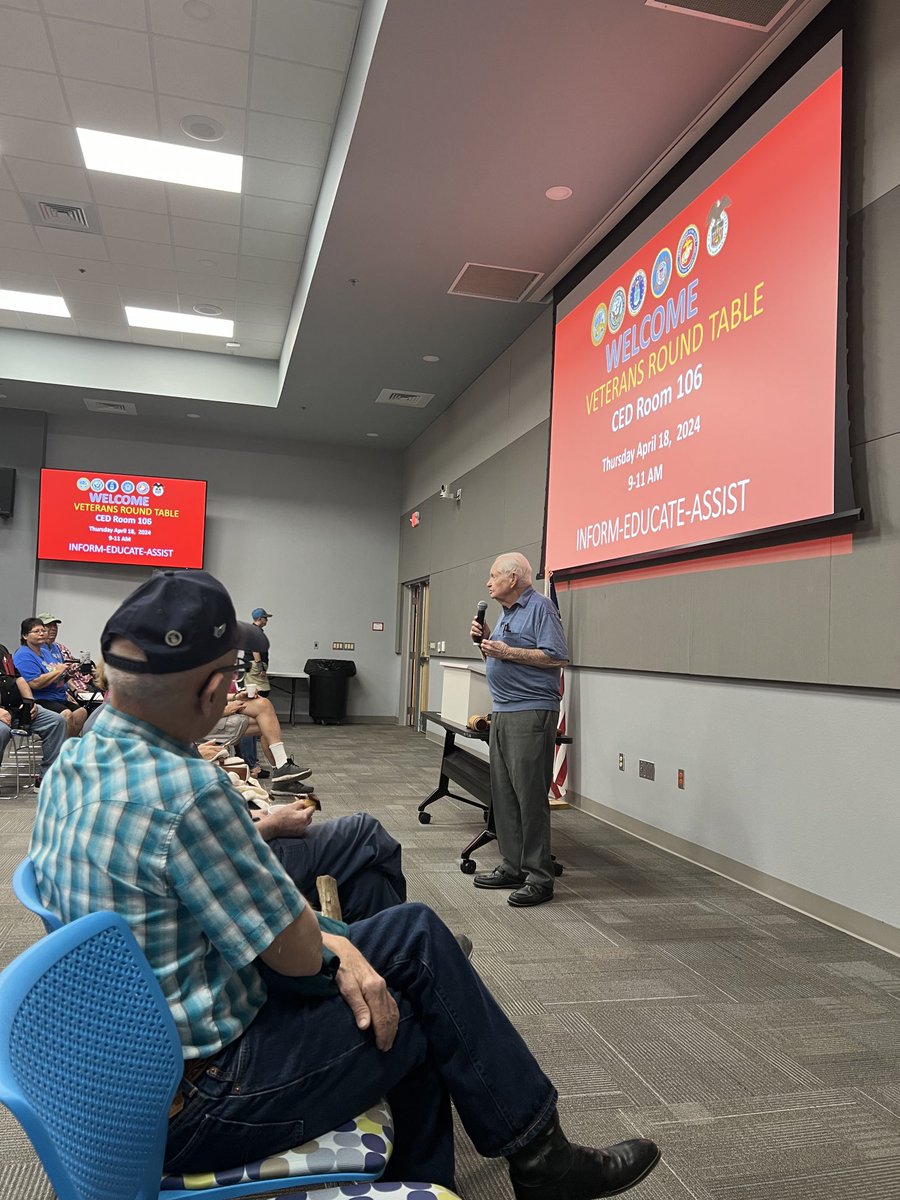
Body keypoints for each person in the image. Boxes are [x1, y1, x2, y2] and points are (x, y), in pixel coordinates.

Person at [31, 569, 660, 1199]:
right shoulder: (185, 793)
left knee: (412, 952)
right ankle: (531, 1159)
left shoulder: (75, 761)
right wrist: (347, 949)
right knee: (411, 1002)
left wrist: (344, 948)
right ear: (212, 690)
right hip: (200, 1101)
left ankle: (515, 1156)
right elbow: (299, 954)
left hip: (120, 1079)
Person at [470, 553, 569, 908]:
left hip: (531, 712)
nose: (488, 582)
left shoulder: (541, 608)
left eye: (493, 575)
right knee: (506, 795)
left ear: (513, 578)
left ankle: (540, 877)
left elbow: (557, 656)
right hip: (503, 710)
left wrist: (507, 652)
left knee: (529, 797)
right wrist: (485, 647)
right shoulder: (506, 613)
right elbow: (500, 658)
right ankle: (512, 866)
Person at [0, 642, 67, 784]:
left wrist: (30, 703)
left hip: (15, 709)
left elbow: (18, 678)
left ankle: (47, 777)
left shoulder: (2, 649)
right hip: (2, 716)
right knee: (1, 731)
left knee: (56, 721)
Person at [13, 618, 88, 736]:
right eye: (36, 631)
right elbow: (35, 683)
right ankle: (59, 749)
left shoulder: (46, 652)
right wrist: (58, 671)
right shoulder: (23, 655)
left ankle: (66, 746)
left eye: (43, 630)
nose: (42, 633)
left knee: (81, 712)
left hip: (58, 696)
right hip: (40, 699)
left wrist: (68, 676)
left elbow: (60, 675)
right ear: (25, 636)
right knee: (66, 715)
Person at [37, 612, 103, 711]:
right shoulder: (36, 650)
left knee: (88, 707)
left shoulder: (58, 648)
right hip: (48, 696)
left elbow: (65, 675)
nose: (54, 629)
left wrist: (75, 689)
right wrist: (67, 692)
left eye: (55, 626)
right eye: (49, 626)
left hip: (69, 688)